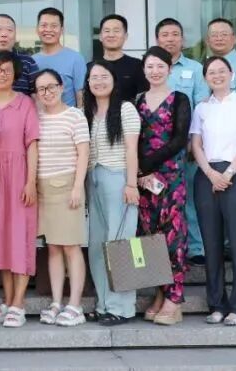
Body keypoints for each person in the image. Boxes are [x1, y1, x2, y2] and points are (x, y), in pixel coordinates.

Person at [190, 56, 236, 326]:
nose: (217, 75)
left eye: (222, 71)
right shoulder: (201, 108)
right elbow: (196, 144)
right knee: (212, 243)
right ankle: (217, 304)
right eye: (211, 72)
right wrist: (210, 173)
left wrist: (228, 173)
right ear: (205, 77)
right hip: (207, 176)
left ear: (232, 74)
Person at [0, 52, 39, 328]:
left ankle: (19, 303)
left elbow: (32, 144)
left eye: (6, 70)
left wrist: (31, 181)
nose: (1, 74)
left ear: (16, 75)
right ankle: (7, 299)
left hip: (19, 176)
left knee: (21, 235)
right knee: (0, 238)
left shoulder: (25, 103)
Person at [135, 46, 192, 326]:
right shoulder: (137, 100)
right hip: (144, 181)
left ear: (169, 69)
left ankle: (175, 299)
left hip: (170, 178)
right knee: (150, 237)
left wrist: (148, 164)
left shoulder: (179, 99)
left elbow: (180, 139)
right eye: (150, 66)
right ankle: (160, 293)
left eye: (160, 66)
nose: (155, 71)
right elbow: (133, 138)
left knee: (173, 236)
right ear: (143, 70)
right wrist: (139, 171)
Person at [83, 60, 141, 326]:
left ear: (114, 80)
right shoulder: (87, 111)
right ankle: (104, 304)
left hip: (118, 178)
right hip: (93, 179)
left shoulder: (126, 108)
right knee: (97, 245)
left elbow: (131, 149)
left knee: (120, 244)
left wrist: (131, 184)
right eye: (94, 77)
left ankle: (122, 308)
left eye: (104, 76)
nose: (99, 81)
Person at [33, 69, 90, 327]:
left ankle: (75, 305)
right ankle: (56, 302)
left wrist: (77, 187)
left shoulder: (75, 115)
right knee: (53, 247)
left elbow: (83, 153)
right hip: (42, 189)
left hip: (68, 186)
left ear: (61, 87)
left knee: (71, 246)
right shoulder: (36, 117)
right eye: (41, 89)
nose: (47, 93)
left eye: (51, 86)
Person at [155, 18, 207, 265]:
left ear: (182, 39)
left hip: (186, 146)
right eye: (165, 35)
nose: (170, 39)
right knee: (159, 199)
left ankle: (195, 248)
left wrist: (194, 142)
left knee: (189, 198)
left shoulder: (195, 69)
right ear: (157, 39)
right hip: (155, 149)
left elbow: (202, 107)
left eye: (175, 34)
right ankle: (162, 249)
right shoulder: (150, 66)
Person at [32, 8, 87, 107]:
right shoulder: (31, 61)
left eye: (54, 26)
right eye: (44, 25)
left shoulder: (75, 59)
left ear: (62, 30)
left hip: (68, 116)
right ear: (37, 29)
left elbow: (81, 97)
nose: (48, 30)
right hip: (37, 116)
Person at [95, 14, 148, 102]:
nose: (111, 35)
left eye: (116, 31)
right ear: (100, 36)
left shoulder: (137, 65)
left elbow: (144, 98)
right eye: (107, 31)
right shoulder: (91, 67)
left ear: (125, 36)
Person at [204, 18, 236, 98]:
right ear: (207, 41)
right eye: (214, 35)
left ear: (234, 39)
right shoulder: (202, 67)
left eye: (224, 34)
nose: (219, 39)